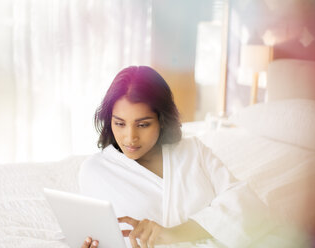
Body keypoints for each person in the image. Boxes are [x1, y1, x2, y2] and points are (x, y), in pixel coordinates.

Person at [78, 66, 272, 248]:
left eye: (143, 124)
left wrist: (172, 234)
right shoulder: (94, 171)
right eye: (119, 124)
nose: (130, 138)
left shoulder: (193, 151)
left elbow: (247, 205)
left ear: (162, 120)